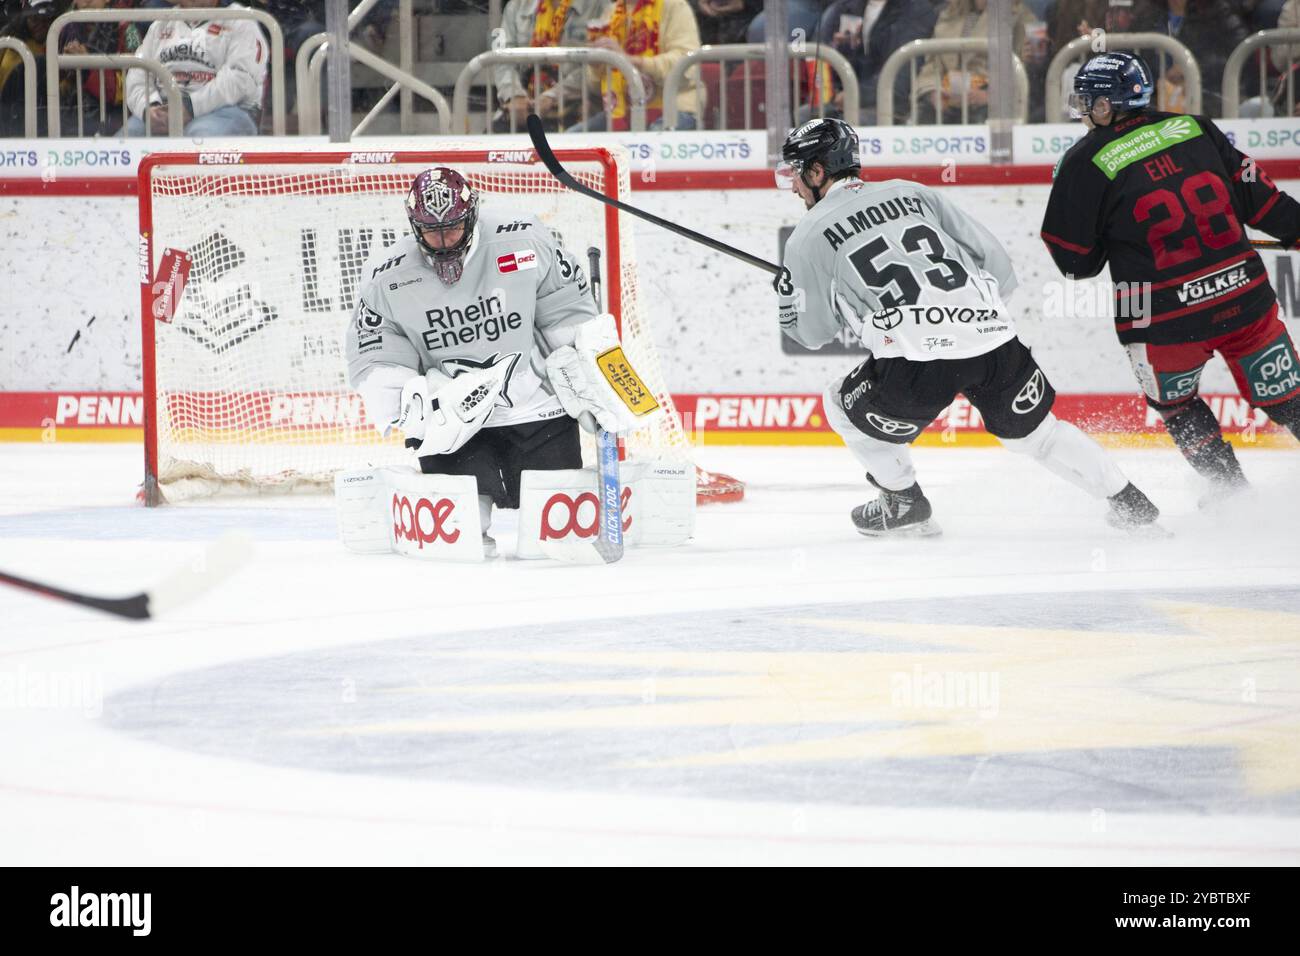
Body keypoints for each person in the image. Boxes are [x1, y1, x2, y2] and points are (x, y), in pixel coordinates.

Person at [774, 118, 1160, 537]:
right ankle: (1131, 505)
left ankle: (903, 502)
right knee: (1039, 436)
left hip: (917, 365)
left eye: (795, 173)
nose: (792, 186)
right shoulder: (913, 192)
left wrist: (792, 293)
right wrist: (960, 316)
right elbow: (996, 266)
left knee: (838, 403)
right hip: (994, 344)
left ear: (817, 171)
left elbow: (812, 334)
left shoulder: (808, 235)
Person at [1042, 52, 1300, 500]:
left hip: (1162, 319)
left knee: (1177, 406)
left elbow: (1075, 263)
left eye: (1089, 101)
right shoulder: (1197, 128)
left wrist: (1108, 238)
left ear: (1106, 105)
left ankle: (1232, 494)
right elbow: (1264, 205)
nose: (1084, 111)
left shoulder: (1083, 160)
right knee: (1288, 399)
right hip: (1244, 297)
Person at [345, 168, 642, 555]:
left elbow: (567, 310)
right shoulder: (386, 276)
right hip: (454, 424)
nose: (443, 242)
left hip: (539, 411)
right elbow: (375, 349)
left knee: (556, 545)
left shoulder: (524, 238)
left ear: (472, 215)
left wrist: (593, 372)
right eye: (431, 232)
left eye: (452, 229)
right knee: (458, 546)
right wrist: (411, 403)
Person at [124, 0, 267, 136]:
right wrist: (149, 108)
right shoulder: (162, 23)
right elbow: (138, 72)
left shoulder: (241, 20)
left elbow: (240, 79)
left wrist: (190, 107)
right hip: (164, 109)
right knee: (127, 138)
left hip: (226, 110)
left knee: (199, 136)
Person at [566, 0, 702, 131]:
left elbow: (687, 65)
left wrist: (631, 61)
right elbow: (595, 87)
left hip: (674, 107)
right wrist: (596, 66)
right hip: (622, 112)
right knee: (571, 138)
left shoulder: (675, 6)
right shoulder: (611, 12)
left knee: (651, 143)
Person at [491, 0, 605, 132]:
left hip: (575, 109)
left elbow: (597, 67)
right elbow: (502, 60)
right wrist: (514, 95)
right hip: (521, 109)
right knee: (489, 146)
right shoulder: (516, 6)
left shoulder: (599, 5)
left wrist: (552, 97)